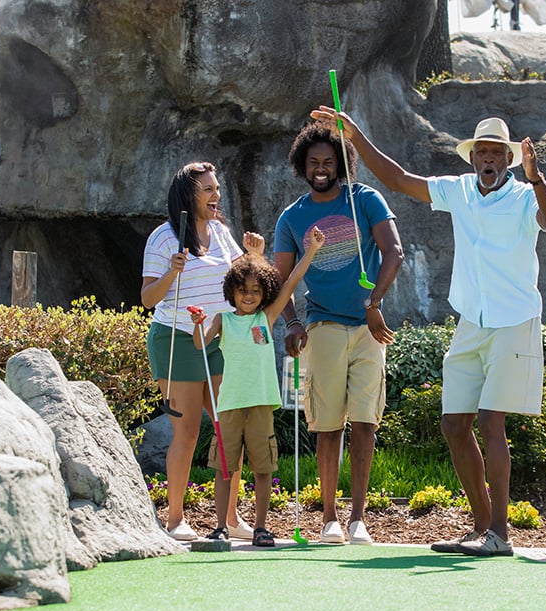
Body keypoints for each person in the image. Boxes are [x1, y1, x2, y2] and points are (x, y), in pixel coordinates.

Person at [310, 109, 546, 556]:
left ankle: (500, 535)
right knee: (453, 423)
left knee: (490, 421)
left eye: (495, 152)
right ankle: (482, 526)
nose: (487, 158)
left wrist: (537, 177)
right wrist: (355, 135)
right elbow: (398, 178)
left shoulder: (526, 196)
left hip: (514, 321)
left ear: (507, 158)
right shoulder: (460, 190)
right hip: (471, 322)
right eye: (481, 151)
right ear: (473, 158)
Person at [274, 122, 404, 545]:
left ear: (342, 164)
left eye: (329, 161)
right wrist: (292, 323)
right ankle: (329, 518)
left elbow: (394, 252)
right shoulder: (292, 217)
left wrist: (373, 305)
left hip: (369, 328)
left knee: (365, 422)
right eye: (313, 162)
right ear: (302, 165)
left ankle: (358, 519)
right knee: (327, 426)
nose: (321, 169)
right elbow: (281, 280)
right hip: (323, 325)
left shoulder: (364, 199)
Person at [141, 161, 258, 542]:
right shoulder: (163, 238)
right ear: (187, 195)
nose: (215, 195)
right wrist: (172, 273)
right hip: (176, 340)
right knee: (188, 431)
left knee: (230, 428)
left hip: (218, 340)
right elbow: (147, 299)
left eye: (216, 188)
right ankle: (175, 520)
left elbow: (243, 279)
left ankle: (230, 517)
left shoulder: (222, 234)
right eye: (207, 189)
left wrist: (254, 256)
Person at [189, 226, 326, 547]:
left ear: (264, 292)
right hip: (230, 405)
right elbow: (199, 345)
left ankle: (261, 528)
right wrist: (197, 325)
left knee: (263, 469)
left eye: (254, 290)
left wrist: (311, 252)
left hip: (261, 403)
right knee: (225, 469)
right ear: (231, 291)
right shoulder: (223, 319)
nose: (248, 295)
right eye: (242, 290)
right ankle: (221, 526)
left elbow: (290, 281)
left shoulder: (266, 318)